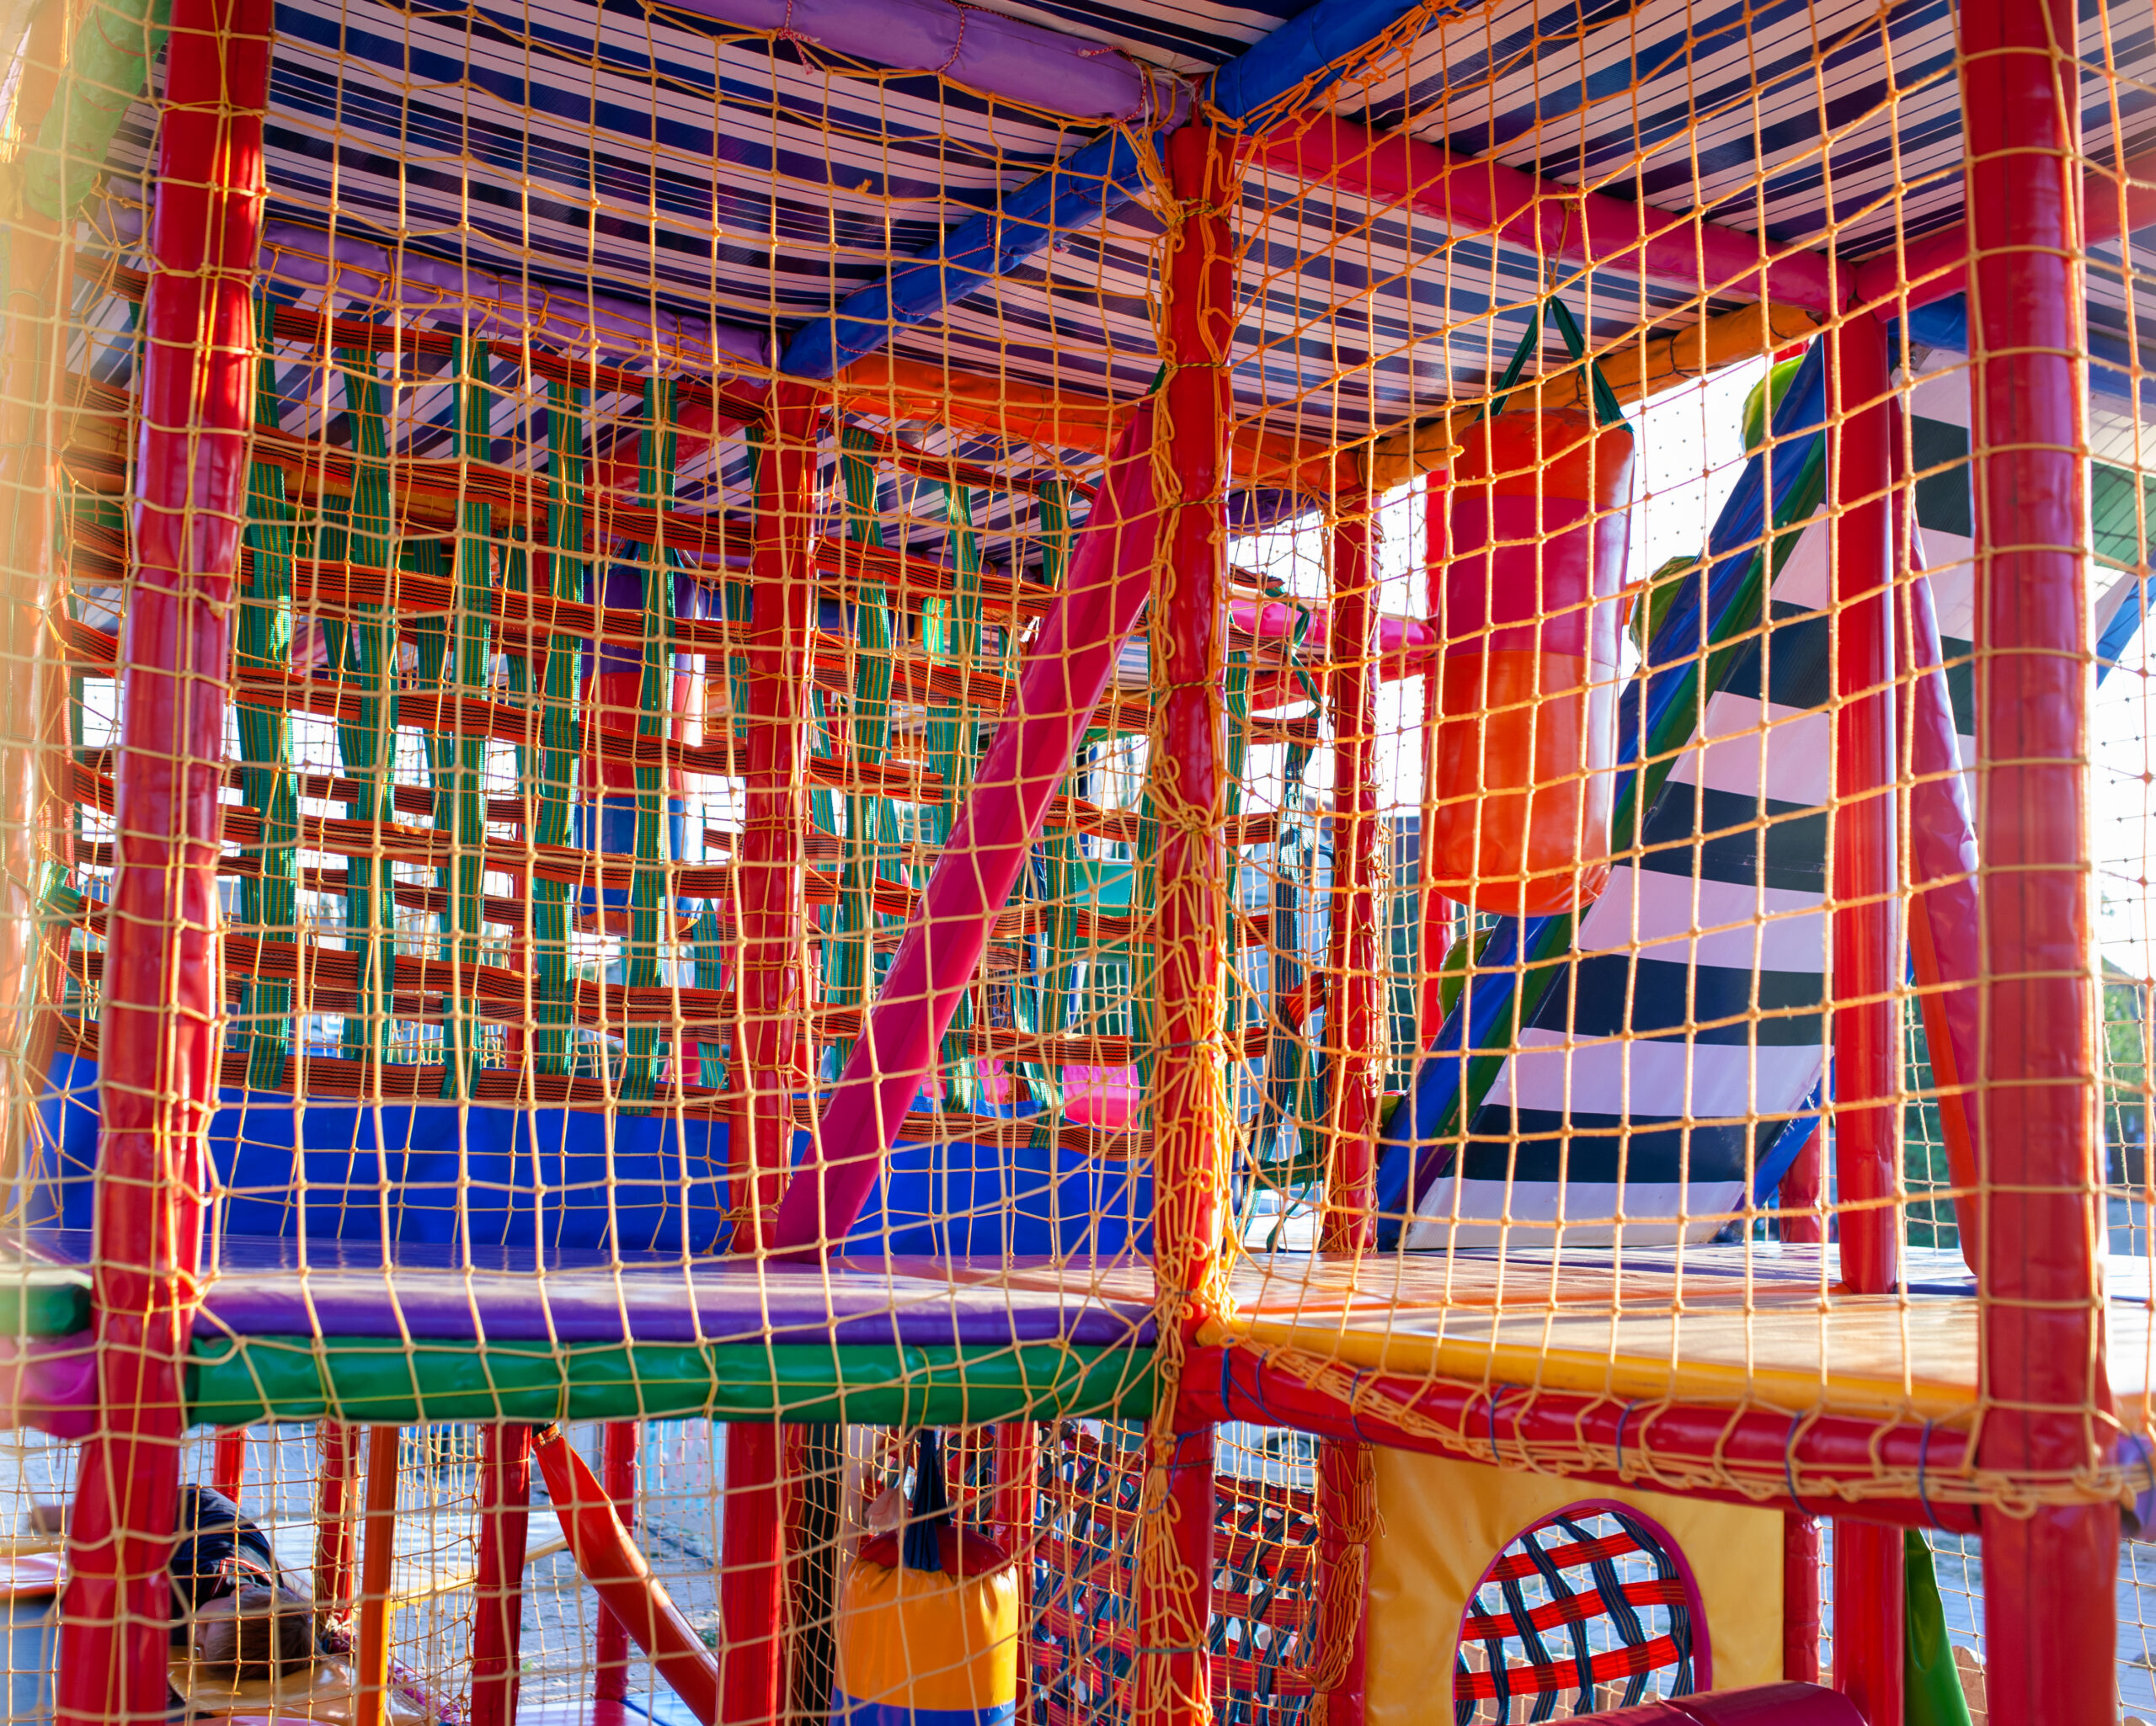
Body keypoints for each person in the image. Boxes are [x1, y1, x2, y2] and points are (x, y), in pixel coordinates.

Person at [170, 1486, 320, 1685]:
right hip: (176, 1508)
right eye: (205, 1626)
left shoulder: (273, 1608)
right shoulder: (202, 1580)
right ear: (241, 1592)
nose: (197, 1638)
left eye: (202, 1649)